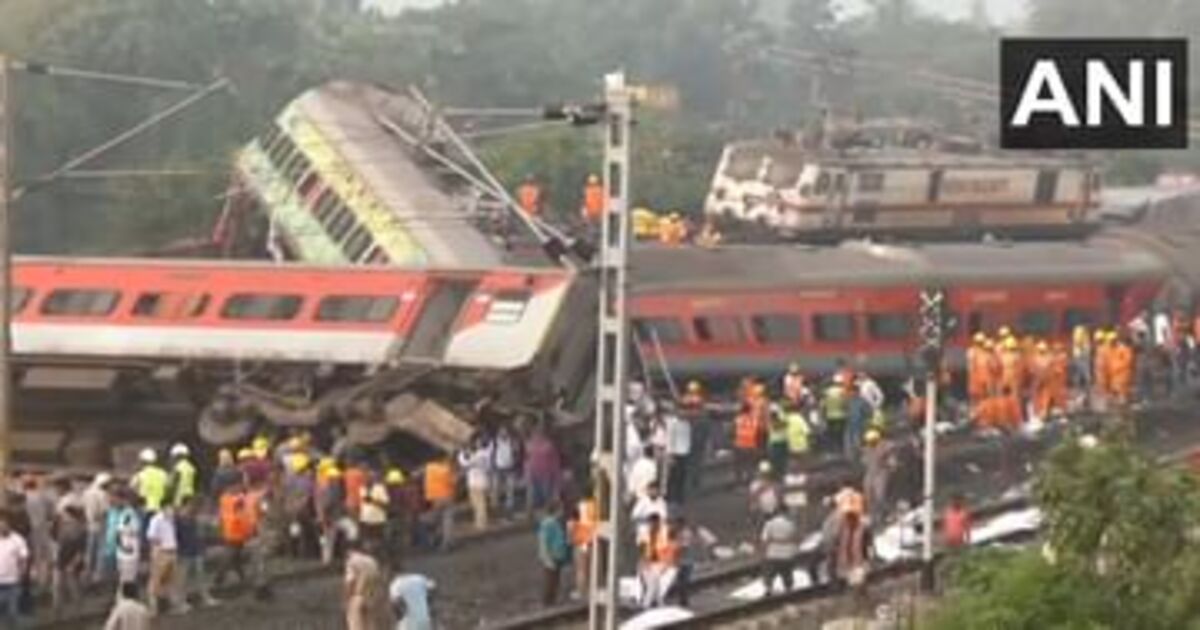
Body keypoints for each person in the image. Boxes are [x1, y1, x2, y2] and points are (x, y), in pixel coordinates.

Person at [174, 496, 217, 610]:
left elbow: (199, 534)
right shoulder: (177, 519)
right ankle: (180, 601)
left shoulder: (194, 518)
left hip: (196, 550)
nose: (193, 507)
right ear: (185, 505)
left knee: (201, 575)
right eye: (191, 505)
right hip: (184, 551)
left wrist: (202, 548)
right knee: (182, 578)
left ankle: (205, 597)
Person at [51, 505, 87, 619]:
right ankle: (57, 610)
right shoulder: (61, 528)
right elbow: (55, 540)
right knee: (57, 586)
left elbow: (81, 551)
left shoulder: (80, 531)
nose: (63, 517)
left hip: (72, 562)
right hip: (60, 561)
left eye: (65, 515)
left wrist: (73, 564)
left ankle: (78, 610)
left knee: (73, 587)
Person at [637, 514, 677, 608]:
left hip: (659, 562)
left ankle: (659, 604)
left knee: (655, 583)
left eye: (656, 522)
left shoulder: (664, 532)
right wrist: (642, 561)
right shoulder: (645, 534)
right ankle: (646, 605)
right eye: (652, 523)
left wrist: (668, 561)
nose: (654, 524)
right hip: (647, 563)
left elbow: (670, 545)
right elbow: (642, 549)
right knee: (652, 584)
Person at [146, 504, 180, 614]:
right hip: (161, 552)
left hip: (171, 551)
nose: (172, 510)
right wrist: (159, 549)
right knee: (156, 580)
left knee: (169, 580)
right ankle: (153, 607)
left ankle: (168, 606)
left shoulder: (171, 520)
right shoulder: (156, 520)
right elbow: (151, 536)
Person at [344, 540, 384, 630]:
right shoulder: (372, 561)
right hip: (371, 597)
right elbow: (378, 580)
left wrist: (347, 599)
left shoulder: (352, 561)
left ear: (349, 551)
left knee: (356, 626)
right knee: (370, 626)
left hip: (357, 597)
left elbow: (350, 582)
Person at [536, 503, 570, 606]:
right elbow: (544, 543)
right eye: (561, 510)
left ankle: (551, 599)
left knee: (555, 579)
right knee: (550, 580)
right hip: (551, 557)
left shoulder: (554, 523)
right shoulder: (548, 524)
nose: (562, 513)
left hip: (556, 556)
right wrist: (547, 558)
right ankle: (547, 600)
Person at [760, 507, 798, 595]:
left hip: (772, 554)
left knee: (769, 575)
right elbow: (795, 539)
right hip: (787, 554)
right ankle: (789, 591)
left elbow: (764, 540)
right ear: (785, 513)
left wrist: (763, 553)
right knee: (787, 574)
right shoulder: (790, 524)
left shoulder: (769, 524)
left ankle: (768, 590)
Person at [458, 437, 493, 531]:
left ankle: (482, 523)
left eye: (479, 443)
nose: (476, 444)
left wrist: (461, 453)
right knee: (476, 503)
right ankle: (479, 521)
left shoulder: (481, 455)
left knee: (480, 504)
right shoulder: (484, 454)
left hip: (478, 482)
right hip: (475, 482)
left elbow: (465, 463)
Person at [82, 472, 111, 584]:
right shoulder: (102, 494)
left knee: (89, 550)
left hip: (89, 524)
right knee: (100, 550)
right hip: (100, 524)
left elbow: (84, 507)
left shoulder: (87, 492)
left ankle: (87, 572)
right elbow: (105, 511)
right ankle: (98, 575)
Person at [567, 494, 596, 600]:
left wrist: (570, 540)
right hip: (590, 542)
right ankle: (588, 589)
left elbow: (570, 528)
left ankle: (581, 591)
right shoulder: (592, 507)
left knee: (581, 569)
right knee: (589, 568)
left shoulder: (578, 511)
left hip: (580, 543)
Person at [0, 516, 27, 628]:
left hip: (13, 580)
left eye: (4, 526)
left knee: (12, 610)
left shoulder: (17, 539)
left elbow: (23, 557)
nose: (2, 528)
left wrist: (22, 572)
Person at [490, 425, 522, 515]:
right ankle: (495, 506)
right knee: (495, 487)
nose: (503, 433)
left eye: (504, 431)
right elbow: (491, 454)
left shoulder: (512, 441)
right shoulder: (495, 442)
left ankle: (509, 506)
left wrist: (515, 463)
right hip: (498, 468)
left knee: (510, 488)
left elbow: (517, 452)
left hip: (510, 468)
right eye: (501, 431)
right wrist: (493, 465)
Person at [131, 448, 169, 518]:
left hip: (145, 508)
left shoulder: (140, 474)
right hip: (160, 508)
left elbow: (132, 488)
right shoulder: (163, 474)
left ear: (143, 461)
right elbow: (168, 488)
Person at [664, 408, 692, 504]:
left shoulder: (687, 423)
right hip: (675, 453)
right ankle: (669, 496)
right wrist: (670, 455)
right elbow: (670, 439)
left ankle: (679, 496)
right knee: (672, 476)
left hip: (685, 452)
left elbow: (687, 437)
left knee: (682, 476)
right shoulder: (673, 423)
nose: (684, 412)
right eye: (682, 411)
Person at [358, 471, 390, 553]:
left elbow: (385, 503)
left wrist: (372, 500)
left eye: (370, 478)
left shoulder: (380, 488)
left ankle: (378, 553)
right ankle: (369, 553)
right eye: (366, 478)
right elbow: (361, 503)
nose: (367, 479)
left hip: (378, 519)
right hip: (365, 518)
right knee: (367, 539)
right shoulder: (362, 489)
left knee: (378, 539)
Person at [733, 402, 763, 483]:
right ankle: (749, 482)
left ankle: (739, 482)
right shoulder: (755, 419)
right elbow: (759, 432)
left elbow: (732, 431)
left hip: (739, 444)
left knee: (739, 465)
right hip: (751, 445)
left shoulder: (738, 419)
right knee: (750, 465)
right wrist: (759, 445)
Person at [748, 462, 781, 531]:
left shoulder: (774, 484)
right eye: (762, 473)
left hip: (772, 509)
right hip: (760, 509)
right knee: (754, 509)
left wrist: (777, 506)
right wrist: (762, 488)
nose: (764, 475)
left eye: (766, 473)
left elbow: (778, 496)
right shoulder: (754, 484)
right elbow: (752, 498)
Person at [167, 443, 197, 508]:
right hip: (190, 497)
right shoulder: (191, 468)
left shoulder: (177, 468)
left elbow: (171, 485)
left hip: (179, 499)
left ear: (178, 456)